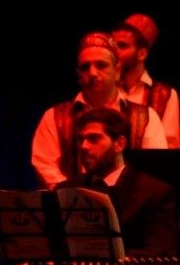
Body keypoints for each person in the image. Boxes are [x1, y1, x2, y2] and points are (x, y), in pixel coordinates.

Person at [31, 31, 169, 190]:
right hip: (70, 202)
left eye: (101, 65)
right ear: (78, 74)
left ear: (117, 70)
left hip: (130, 203)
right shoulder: (55, 117)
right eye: (85, 67)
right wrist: (76, 196)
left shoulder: (145, 117)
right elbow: (45, 165)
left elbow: (155, 169)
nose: (92, 73)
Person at [58, 107, 179, 256]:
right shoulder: (66, 190)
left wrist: (108, 257)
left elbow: (160, 251)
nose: (84, 146)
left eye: (93, 139)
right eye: (80, 139)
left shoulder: (154, 192)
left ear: (119, 144)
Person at [112, 13, 180, 148]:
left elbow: (170, 146)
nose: (115, 53)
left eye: (122, 46)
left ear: (142, 53)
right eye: (113, 46)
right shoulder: (104, 89)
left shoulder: (165, 95)